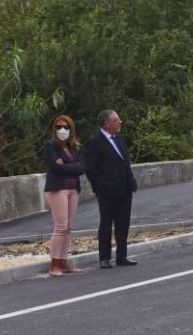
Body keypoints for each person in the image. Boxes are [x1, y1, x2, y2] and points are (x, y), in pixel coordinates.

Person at [82, 108, 138, 268]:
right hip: (107, 190)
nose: (120, 122)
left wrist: (131, 180)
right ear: (107, 124)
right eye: (116, 120)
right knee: (106, 223)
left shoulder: (120, 139)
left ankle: (122, 256)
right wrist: (99, 186)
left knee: (123, 223)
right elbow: (90, 168)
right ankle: (104, 257)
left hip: (124, 188)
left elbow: (124, 162)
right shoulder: (95, 141)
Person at [41, 114, 86, 277]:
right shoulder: (50, 146)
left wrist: (66, 164)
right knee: (60, 226)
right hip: (58, 189)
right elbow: (55, 166)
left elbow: (82, 168)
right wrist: (73, 166)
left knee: (68, 227)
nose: (62, 130)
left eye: (65, 127)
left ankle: (64, 261)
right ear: (54, 129)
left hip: (73, 189)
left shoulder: (74, 147)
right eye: (58, 127)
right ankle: (54, 264)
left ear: (71, 129)